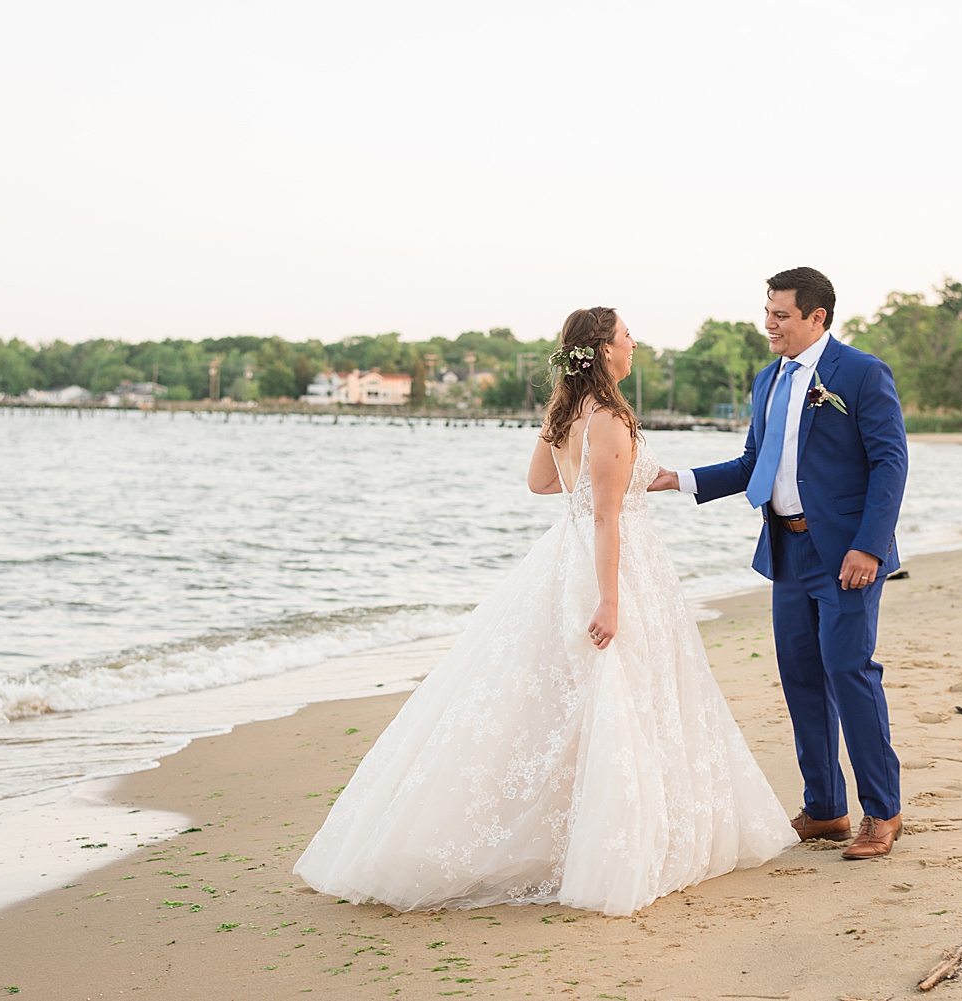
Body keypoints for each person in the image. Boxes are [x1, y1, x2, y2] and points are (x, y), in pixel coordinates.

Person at [294, 307, 796, 916]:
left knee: (574, 698)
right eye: (627, 336)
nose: (634, 344)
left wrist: (600, 475)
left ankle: (572, 831)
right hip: (613, 565)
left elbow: (541, 483)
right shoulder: (609, 417)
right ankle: (609, 844)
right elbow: (608, 516)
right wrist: (610, 600)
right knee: (618, 692)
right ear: (606, 351)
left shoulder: (568, 413)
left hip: (567, 555)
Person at [649, 267, 910, 860]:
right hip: (786, 549)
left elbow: (890, 463)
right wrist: (678, 480)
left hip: (847, 553)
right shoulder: (767, 381)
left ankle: (883, 812)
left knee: (849, 672)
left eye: (782, 315)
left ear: (817, 318)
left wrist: (869, 545)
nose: (769, 324)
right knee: (800, 678)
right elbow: (751, 465)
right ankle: (825, 809)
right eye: (767, 311)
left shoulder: (863, 373)